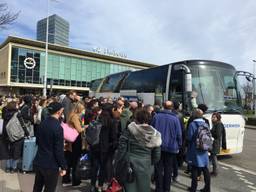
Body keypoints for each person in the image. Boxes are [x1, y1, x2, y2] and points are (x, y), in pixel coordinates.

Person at [115, 109, 162, 192]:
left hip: (129, 164)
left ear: (136, 119)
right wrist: (149, 163)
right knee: (144, 188)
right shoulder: (155, 135)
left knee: (129, 188)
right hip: (146, 166)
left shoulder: (128, 131)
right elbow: (157, 156)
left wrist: (117, 165)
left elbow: (121, 151)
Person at [33, 102, 67, 192]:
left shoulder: (42, 123)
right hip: (51, 164)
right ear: (59, 112)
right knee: (49, 189)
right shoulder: (58, 127)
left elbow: (37, 141)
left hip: (40, 159)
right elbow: (58, 150)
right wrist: (63, 166)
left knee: (37, 187)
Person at [151, 100, 182, 192]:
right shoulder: (175, 118)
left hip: (158, 146)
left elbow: (152, 131)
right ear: (172, 108)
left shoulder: (156, 117)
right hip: (171, 147)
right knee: (168, 169)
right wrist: (179, 145)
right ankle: (166, 189)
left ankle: (159, 188)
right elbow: (179, 134)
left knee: (158, 168)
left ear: (163, 107)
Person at [187, 109, 211, 192]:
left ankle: (193, 188)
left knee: (194, 168)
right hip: (204, 149)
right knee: (205, 169)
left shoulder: (192, 124)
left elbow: (189, 137)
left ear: (194, 115)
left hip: (195, 149)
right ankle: (207, 188)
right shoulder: (205, 124)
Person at [63, 101, 85, 186]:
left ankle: (66, 178)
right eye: (82, 109)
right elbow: (79, 129)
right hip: (75, 141)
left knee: (69, 160)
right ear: (79, 109)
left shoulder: (71, 115)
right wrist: (85, 127)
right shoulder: (75, 117)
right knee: (75, 161)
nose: (83, 111)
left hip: (70, 141)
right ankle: (75, 180)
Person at [210, 112, 226, 176]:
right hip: (214, 143)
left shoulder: (218, 124)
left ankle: (215, 172)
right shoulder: (216, 124)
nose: (212, 118)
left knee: (214, 158)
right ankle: (214, 171)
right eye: (212, 117)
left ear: (218, 118)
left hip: (215, 143)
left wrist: (211, 133)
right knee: (213, 157)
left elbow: (218, 135)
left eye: (214, 117)